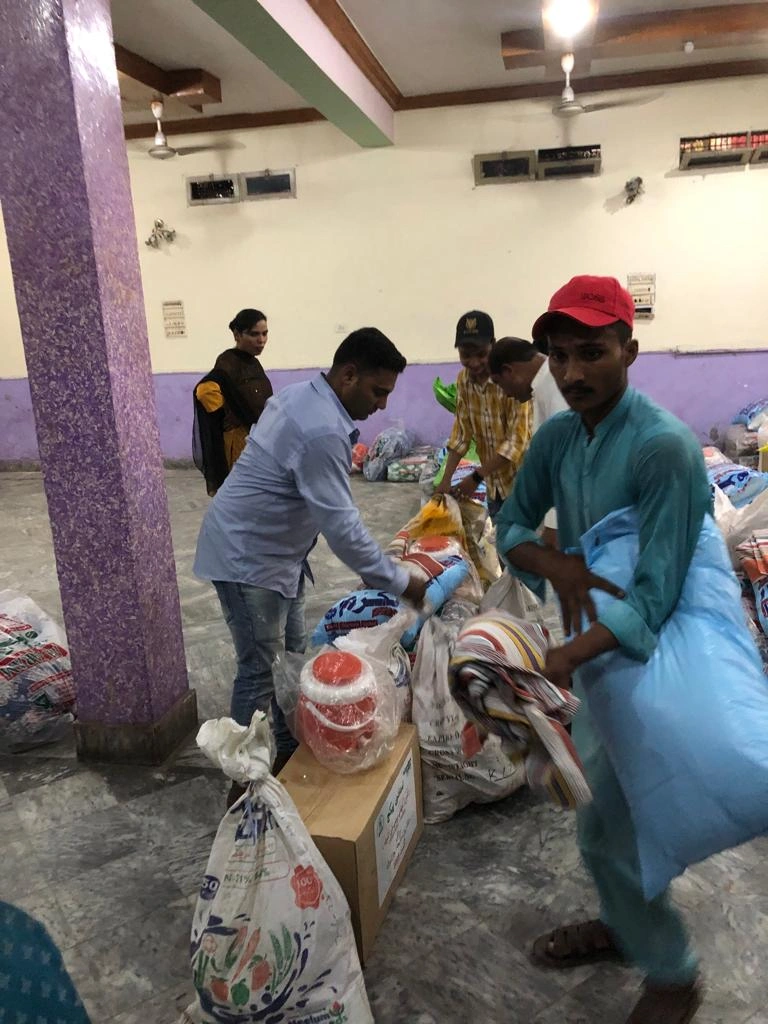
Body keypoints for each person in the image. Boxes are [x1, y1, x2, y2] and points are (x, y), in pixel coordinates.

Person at [496, 276, 707, 1023]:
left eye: (592, 352)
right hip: (592, 657)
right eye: (559, 356)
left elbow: (653, 598)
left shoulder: (663, 448)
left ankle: (673, 974)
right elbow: (511, 525)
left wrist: (562, 658)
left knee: (607, 827)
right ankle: (628, 926)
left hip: (653, 663)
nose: (572, 372)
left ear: (630, 350)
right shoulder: (559, 437)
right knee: (614, 820)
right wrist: (559, 567)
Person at [194, 328, 427, 801]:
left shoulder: (303, 394)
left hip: (280, 558)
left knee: (292, 658)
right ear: (348, 375)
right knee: (259, 669)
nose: (382, 405)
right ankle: (244, 787)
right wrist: (401, 581)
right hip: (248, 559)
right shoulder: (321, 429)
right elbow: (342, 526)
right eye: (378, 391)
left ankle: (284, 751)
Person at [435, 311, 531, 521]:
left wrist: (476, 476)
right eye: (465, 355)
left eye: (481, 354)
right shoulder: (464, 381)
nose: (474, 362)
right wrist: (446, 480)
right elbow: (461, 434)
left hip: (524, 483)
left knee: (523, 538)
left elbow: (517, 442)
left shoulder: (511, 378)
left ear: (493, 346)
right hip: (494, 486)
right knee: (501, 536)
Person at [489, 336, 569, 545]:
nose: (506, 394)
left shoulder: (556, 388)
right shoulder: (542, 387)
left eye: (499, 384)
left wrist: (553, 528)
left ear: (509, 371)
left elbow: (565, 466)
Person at [193, 309, 273, 495]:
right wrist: (230, 412)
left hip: (257, 438)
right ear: (237, 335)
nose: (261, 340)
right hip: (239, 441)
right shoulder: (228, 361)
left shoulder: (252, 362)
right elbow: (204, 391)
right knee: (244, 494)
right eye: (254, 334)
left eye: (264, 333)